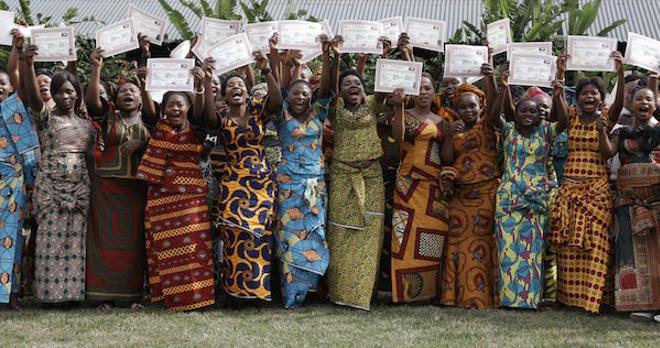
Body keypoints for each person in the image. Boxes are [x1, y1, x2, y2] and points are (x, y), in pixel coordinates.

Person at [549, 52, 625, 314]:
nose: (590, 97)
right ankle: (568, 300)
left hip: (597, 192)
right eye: (585, 94)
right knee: (569, 248)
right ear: (578, 97)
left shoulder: (607, 117)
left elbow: (607, 152)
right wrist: (560, 73)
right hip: (570, 189)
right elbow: (556, 114)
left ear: (601, 98)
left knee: (597, 246)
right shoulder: (570, 115)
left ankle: (594, 300)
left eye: (595, 94)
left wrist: (620, 72)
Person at [490, 55, 568, 309]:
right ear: (516, 112)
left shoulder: (546, 131)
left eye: (532, 111)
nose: (527, 114)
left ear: (539, 116)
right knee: (507, 249)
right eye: (523, 110)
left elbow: (564, 122)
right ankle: (508, 299)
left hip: (535, 200)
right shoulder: (509, 131)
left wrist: (558, 93)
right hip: (509, 197)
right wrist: (503, 86)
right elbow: (493, 117)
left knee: (531, 252)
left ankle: (529, 301)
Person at [19, 44, 95, 305]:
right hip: (50, 189)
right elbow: (31, 95)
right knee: (49, 245)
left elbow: (91, 160)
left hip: (78, 189)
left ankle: (73, 296)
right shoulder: (45, 117)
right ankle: (49, 296)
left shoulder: (86, 126)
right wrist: (27, 63)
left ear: (77, 95)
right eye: (60, 92)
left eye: (70, 91)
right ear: (53, 94)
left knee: (75, 245)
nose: (65, 96)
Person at [136, 65, 216, 310]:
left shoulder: (197, 130)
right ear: (164, 108)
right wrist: (144, 85)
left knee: (194, 248)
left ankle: (198, 299)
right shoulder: (158, 127)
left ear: (188, 108)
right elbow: (148, 112)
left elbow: (204, 114)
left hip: (191, 198)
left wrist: (201, 87)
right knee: (165, 247)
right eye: (170, 104)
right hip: (161, 197)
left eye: (180, 104)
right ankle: (171, 299)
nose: (175, 108)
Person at [207, 53, 282, 303]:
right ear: (225, 96)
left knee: (259, 236)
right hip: (232, 181)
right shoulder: (222, 118)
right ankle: (234, 292)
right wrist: (207, 82)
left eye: (240, 85)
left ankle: (258, 291)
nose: (236, 88)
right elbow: (206, 115)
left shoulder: (258, 111)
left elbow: (277, 101)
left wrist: (267, 70)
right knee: (234, 234)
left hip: (261, 182)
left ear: (247, 92)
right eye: (230, 87)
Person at [84, 46, 155, 309]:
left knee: (133, 241)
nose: (128, 93)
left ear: (140, 97)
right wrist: (96, 68)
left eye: (133, 91)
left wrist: (141, 144)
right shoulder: (108, 116)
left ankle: (132, 296)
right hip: (106, 187)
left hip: (136, 189)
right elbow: (92, 102)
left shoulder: (149, 120)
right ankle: (103, 296)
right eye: (124, 90)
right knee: (105, 240)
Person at [272, 35, 333, 309]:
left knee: (314, 233)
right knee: (289, 237)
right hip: (288, 185)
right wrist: (276, 55)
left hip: (315, 185)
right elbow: (280, 85)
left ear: (312, 97)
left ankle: (310, 289)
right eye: (296, 93)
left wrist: (329, 53)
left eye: (305, 94)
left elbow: (329, 85)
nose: (300, 97)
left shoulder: (319, 113)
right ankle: (290, 295)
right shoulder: (282, 111)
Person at [325, 36, 386, 310]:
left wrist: (381, 55)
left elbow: (386, 87)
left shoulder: (373, 104)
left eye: (357, 84)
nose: (353, 86)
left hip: (372, 177)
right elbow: (328, 86)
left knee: (370, 233)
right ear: (340, 91)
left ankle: (364, 295)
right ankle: (341, 294)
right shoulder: (335, 107)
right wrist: (335, 55)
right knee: (342, 233)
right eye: (347, 84)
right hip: (343, 177)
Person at [389, 72, 452, 303]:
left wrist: (450, 137)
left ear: (434, 92)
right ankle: (404, 294)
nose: (423, 92)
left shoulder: (442, 120)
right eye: (419, 88)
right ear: (412, 92)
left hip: (433, 188)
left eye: (428, 88)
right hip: (408, 186)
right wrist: (398, 108)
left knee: (432, 238)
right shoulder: (403, 115)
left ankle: (427, 294)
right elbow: (398, 136)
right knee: (403, 237)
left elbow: (446, 156)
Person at [440, 81, 500, 309]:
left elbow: (495, 106)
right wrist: (447, 134)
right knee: (458, 244)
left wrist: (493, 79)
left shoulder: (487, 125)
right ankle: (454, 298)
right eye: (463, 107)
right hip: (461, 195)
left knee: (482, 244)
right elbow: (446, 158)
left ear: (480, 107)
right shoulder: (453, 128)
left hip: (485, 192)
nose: (468, 111)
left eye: (472, 106)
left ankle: (483, 299)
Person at [608, 84, 660, 318]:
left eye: (649, 99)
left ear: (655, 104)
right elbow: (606, 153)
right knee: (629, 250)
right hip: (628, 204)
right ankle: (636, 304)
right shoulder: (620, 133)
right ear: (631, 104)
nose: (644, 103)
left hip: (657, 203)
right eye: (639, 99)